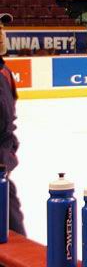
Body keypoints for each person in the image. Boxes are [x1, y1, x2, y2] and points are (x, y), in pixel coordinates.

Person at [0, 13, 26, 235]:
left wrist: (7, 155)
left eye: (1, 28)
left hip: (1, 163)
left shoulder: (5, 72)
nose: (2, 34)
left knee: (12, 231)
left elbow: (7, 122)